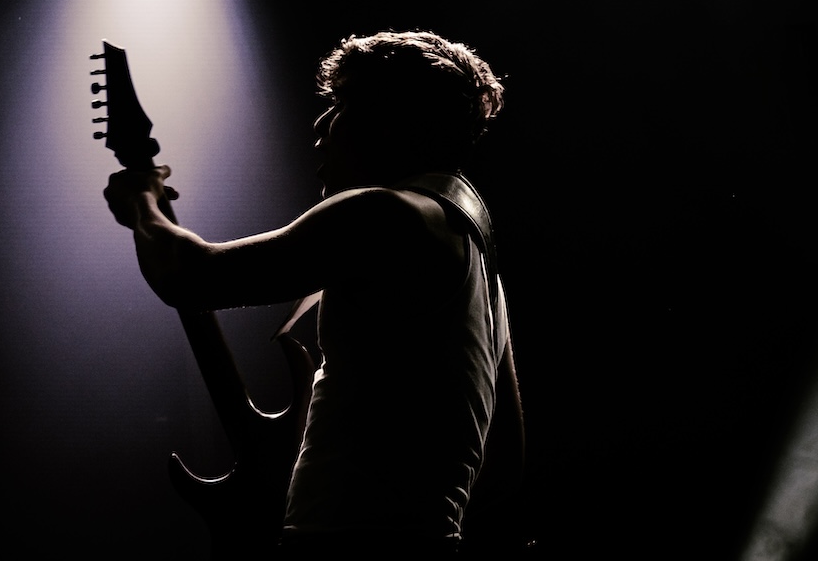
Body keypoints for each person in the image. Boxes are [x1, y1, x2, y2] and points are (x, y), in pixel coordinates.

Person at [103, 30, 525, 559]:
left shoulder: (384, 213)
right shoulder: (476, 262)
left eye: (342, 106)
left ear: (390, 121)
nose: (322, 129)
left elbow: (192, 277)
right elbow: (503, 461)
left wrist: (142, 201)